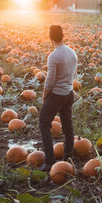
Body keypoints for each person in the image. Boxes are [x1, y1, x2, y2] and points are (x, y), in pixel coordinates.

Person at [38, 25, 78, 172]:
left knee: (44, 123)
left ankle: (49, 161)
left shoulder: (54, 56)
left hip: (57, 95)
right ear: (63, 35)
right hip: (69, 93)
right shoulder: (72, 52)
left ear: (50, 37)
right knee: (68, 127)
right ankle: (68, 157)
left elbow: (49, 81)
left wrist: (44, 96)